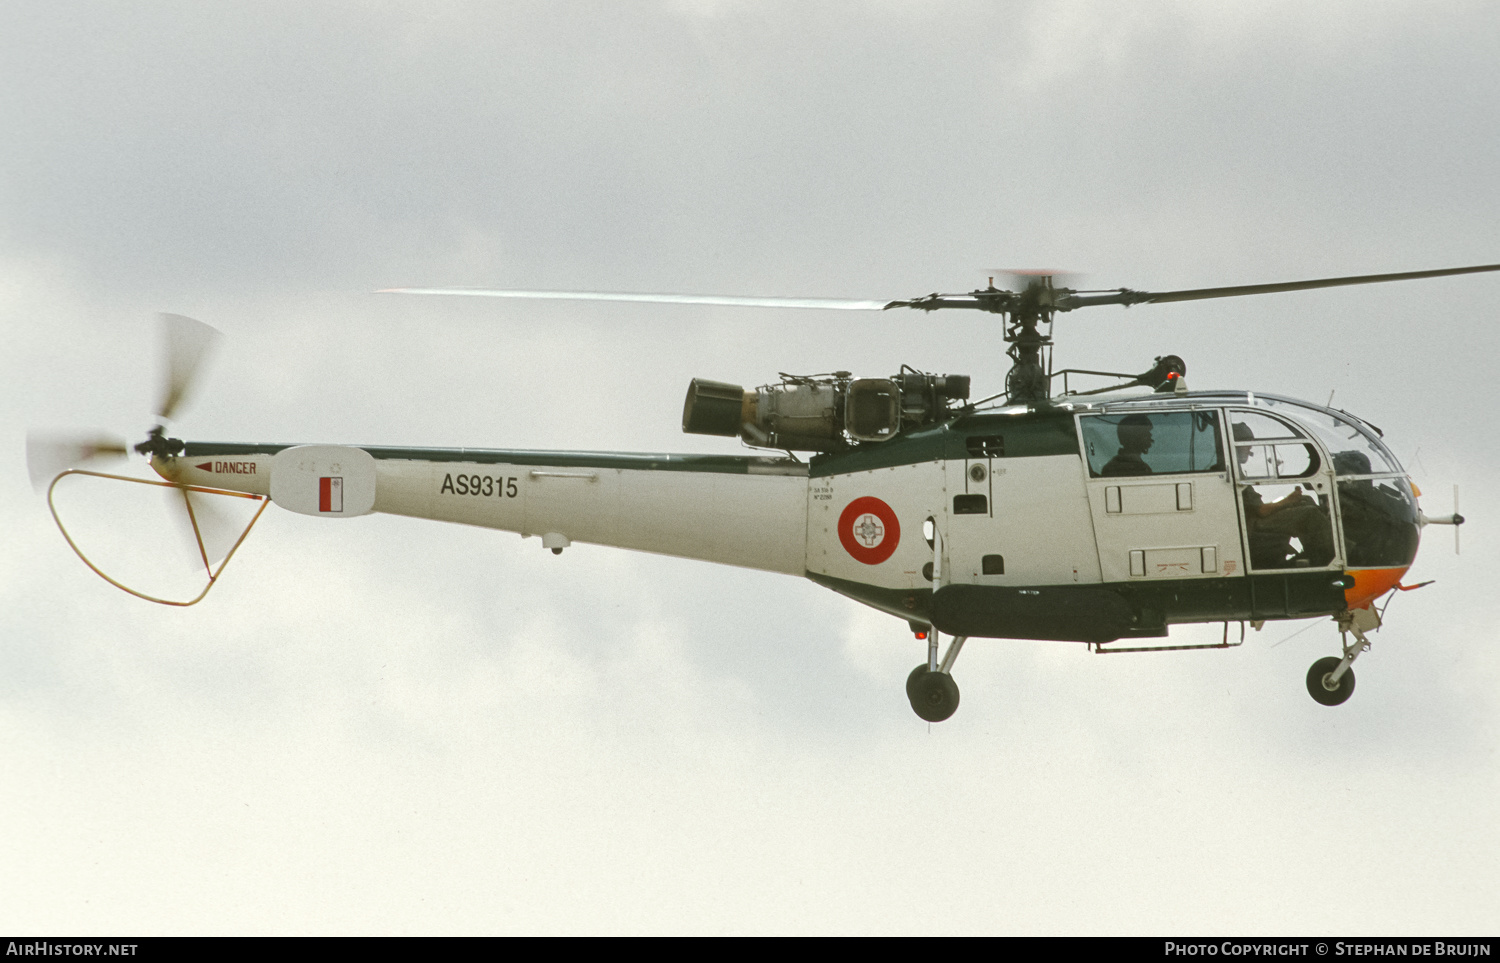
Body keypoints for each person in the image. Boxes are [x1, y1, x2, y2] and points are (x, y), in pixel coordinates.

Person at [1234, 422, 1335, 566]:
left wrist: (1292, 501)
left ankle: (1316, 551)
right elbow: (1261, 511)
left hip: (1254, 521)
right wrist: (1288, 501)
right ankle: (1334, 556)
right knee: (1309, 514)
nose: (1250, 448)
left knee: (1305, 500)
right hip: (1253, 525)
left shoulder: (1235, 469)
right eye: (1245, 443)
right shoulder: (1233, 472)